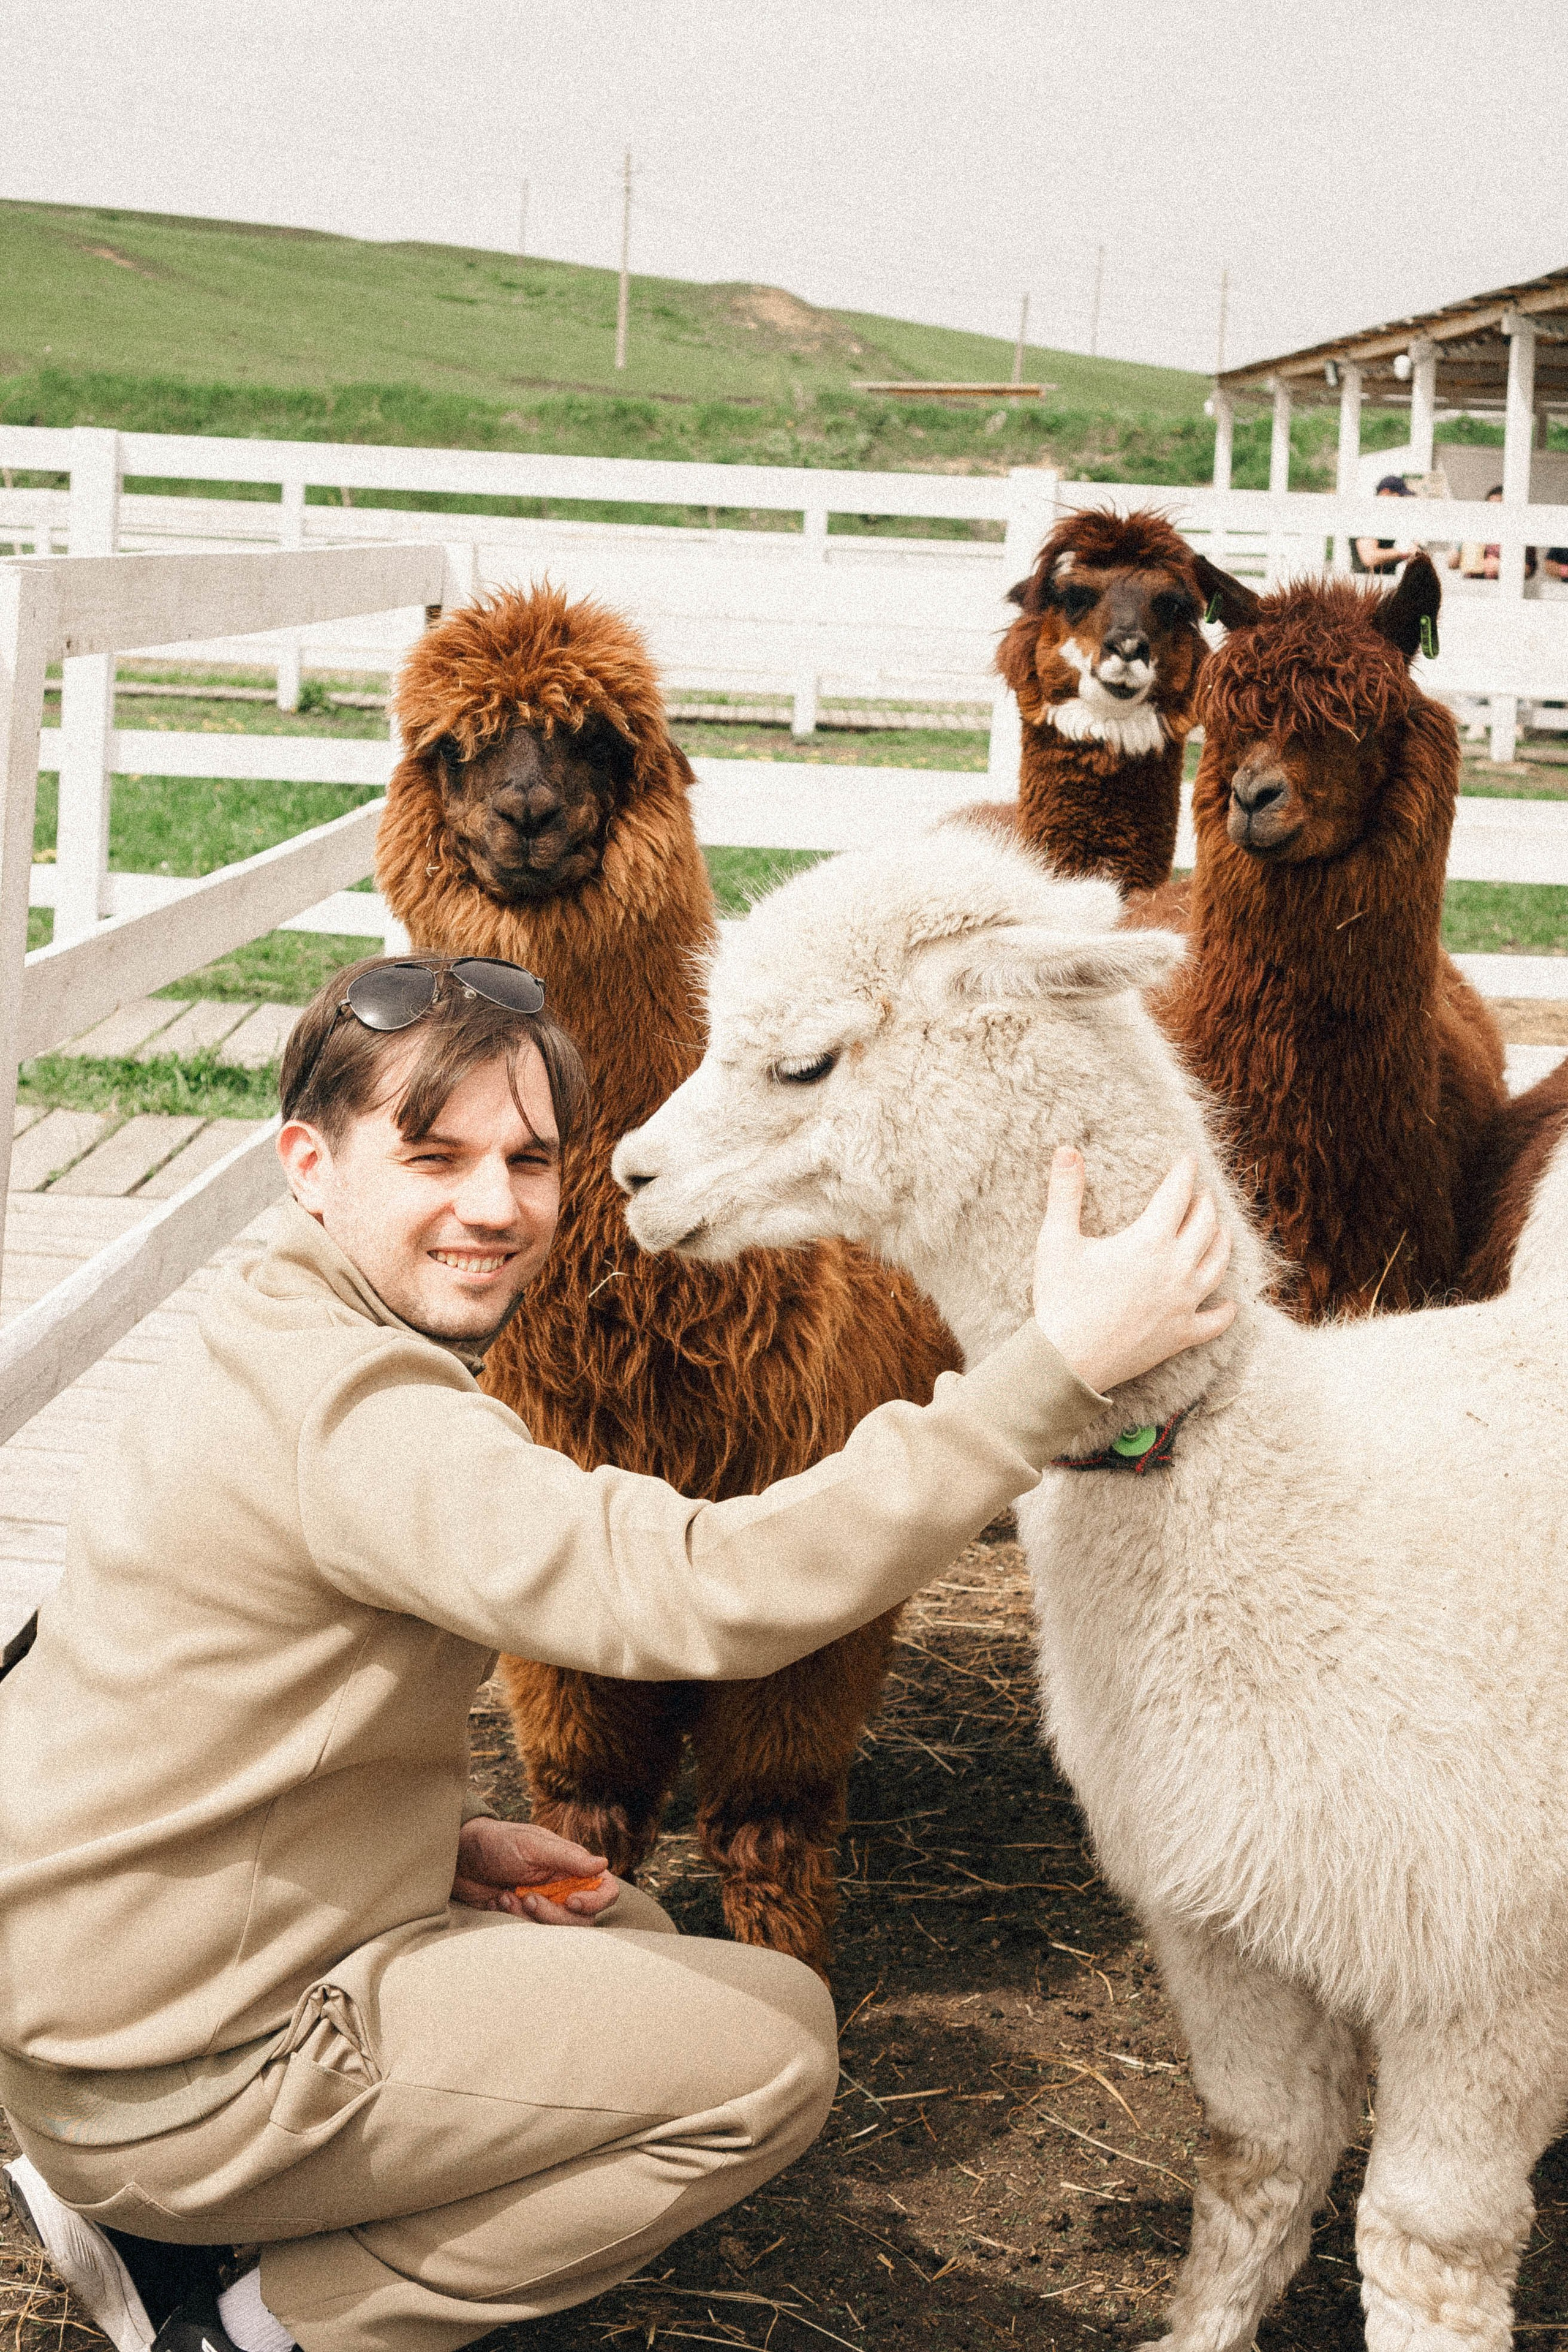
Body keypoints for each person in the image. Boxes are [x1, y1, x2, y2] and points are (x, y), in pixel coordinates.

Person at [0, 954, 1234, 2352]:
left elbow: (162, 1693)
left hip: (97, 2010)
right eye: (434, 1152)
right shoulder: (357, 1413)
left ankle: (161, 2213)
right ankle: (258, 2319)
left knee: (622, 1928)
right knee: (767, 2054)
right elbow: (699, 1586)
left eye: (529, 1157)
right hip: (173, 2067)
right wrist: (1044, 1374)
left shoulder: (267, 1330)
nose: (496, 1203)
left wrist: (408, 1832)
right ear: (310, 1160)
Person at [1352, 472, 1420, 573]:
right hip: (1367, 584)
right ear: (1385, 492)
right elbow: (1369, 558)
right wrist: (1404, 552)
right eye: (1400, 496)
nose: (1402, 502)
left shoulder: (1385, 521)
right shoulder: (1368, 519)